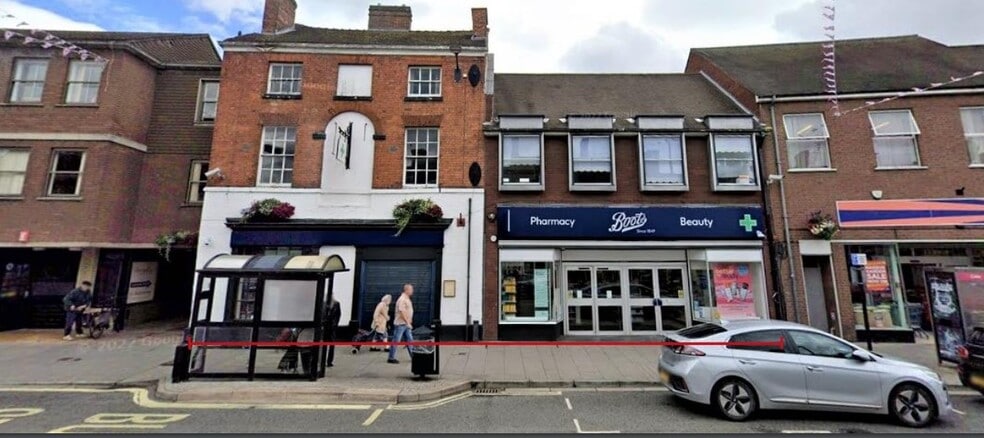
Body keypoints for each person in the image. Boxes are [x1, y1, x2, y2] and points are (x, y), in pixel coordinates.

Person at [388, 284, 414, 364]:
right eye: (411, 289)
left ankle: (413, 356)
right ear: (406, 290)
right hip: (400, 324)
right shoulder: (402, 299)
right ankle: (391, 358)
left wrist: (409, 320)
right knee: (396, 340)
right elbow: (401, 311)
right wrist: (407, 322)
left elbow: (407, 310)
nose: (412, 291)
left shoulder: (407, 298)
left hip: (405, 324)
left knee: (410, 340)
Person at [325, 296, 341, 367]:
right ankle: (323, 360)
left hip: (332, 327)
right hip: (325, 327)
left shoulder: (336, 303)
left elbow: (338, 315)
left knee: (331, 345)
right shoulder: (324, 304)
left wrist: (335, 325)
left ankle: (329, 361)